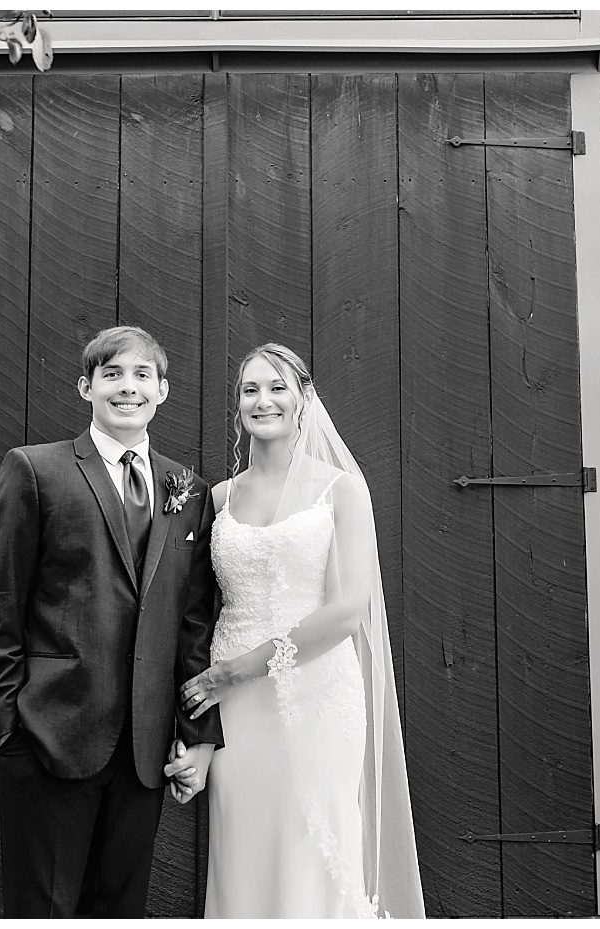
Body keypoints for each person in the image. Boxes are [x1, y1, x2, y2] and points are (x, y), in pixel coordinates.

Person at [0, 325, 222, 917]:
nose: (126, 388)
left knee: (119, 910)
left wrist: (198, 734)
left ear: (164, 390)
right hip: (47, 736)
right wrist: (3, 729)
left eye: (141, 376)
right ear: (86, 387)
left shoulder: (189, 490)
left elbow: (193, 625)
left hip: (143, 750)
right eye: (111, 374)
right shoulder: (35, 471)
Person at [177, 343, 425, 918]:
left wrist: (241, 667)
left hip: (315, 694)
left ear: (304, 399)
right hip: (234, 706)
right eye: (250, 390)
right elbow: (196, 609)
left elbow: (346, 610)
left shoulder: (339, 489)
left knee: (313, 844)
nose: (263, 400)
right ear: (238, 405)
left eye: (277, 387)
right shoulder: (218, 498)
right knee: (243, 845)